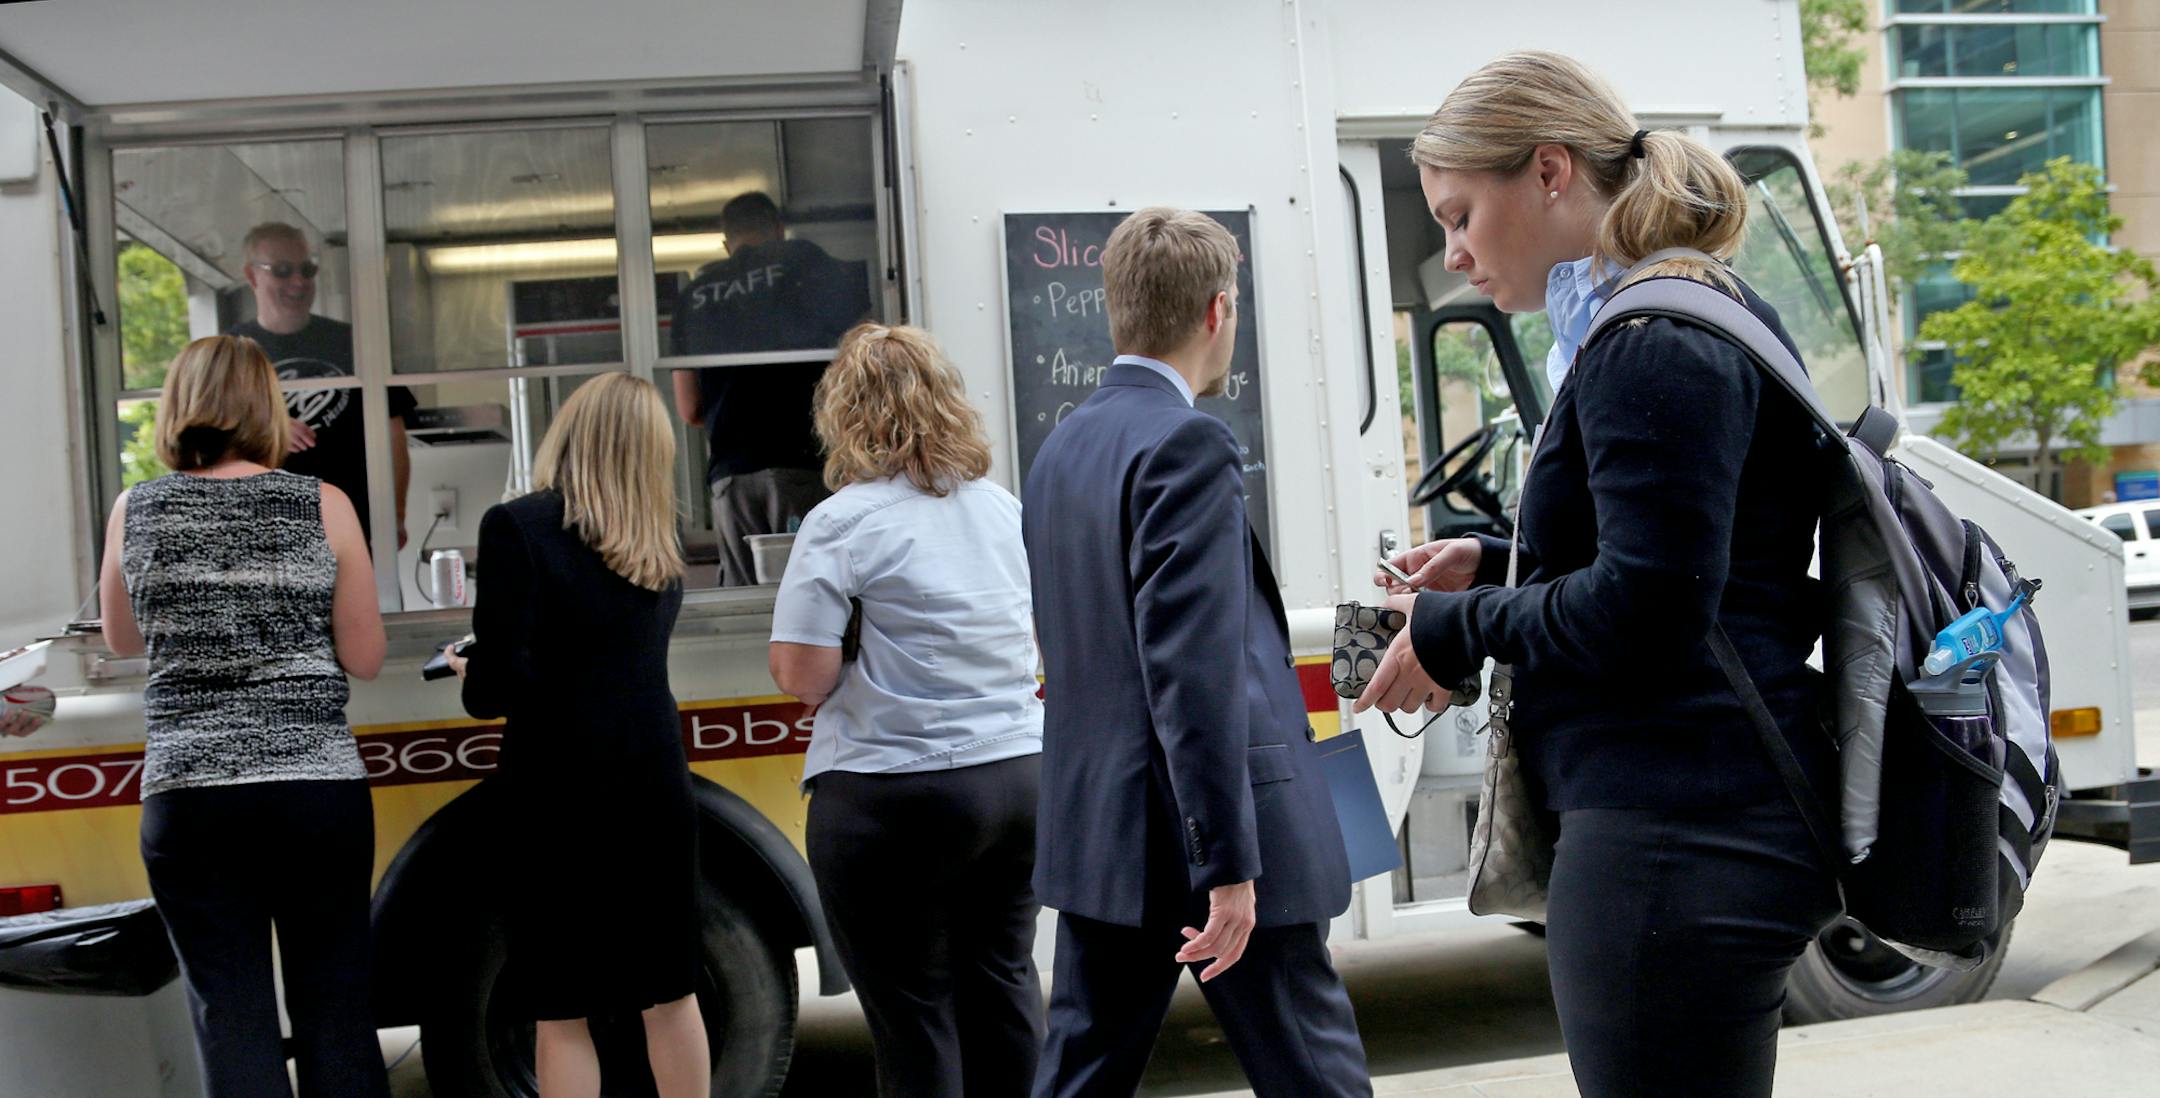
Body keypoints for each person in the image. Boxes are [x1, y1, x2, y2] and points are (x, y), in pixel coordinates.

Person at [1356, 50, 1843, 1098]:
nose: (1453, 254)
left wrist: (1453, 626)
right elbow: (1686, 558)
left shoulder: (1650, 341)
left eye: (1458, 216)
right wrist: (1500, 561)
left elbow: (1651, 610)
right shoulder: (1683, 312)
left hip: (1675, 829)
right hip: (1697, 814)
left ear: (1548, 171)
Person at [1022, 208, 1371, 1098]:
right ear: (1219, 311)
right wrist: (1228, 866)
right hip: (1213, 835)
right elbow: (1194, 670)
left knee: (1079, 1077)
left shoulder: (1061, 448)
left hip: (1106, 838)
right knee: (1315, 1078)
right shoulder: (1189, 442)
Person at [98, 335, 391, 1098]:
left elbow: (122, 638)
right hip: (312, 792)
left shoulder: (137, 507)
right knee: (335, 1007)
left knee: (230, 1014)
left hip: (191, 795)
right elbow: (364, 656)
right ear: (267, 407)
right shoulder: (322, 504)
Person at [769, 323, 1046, 1097]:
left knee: (915, 1015)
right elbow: (1034, 637)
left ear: (845, 413)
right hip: (1020, 780)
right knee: (1004, 988)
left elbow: (802, 673)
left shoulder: (842, 521)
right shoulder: (1001, 508)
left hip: (894, 790)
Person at [443, 372, 709, 1098]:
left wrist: (468, 665)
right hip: (654, 789)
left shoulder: (518, 526)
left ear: (570, 433)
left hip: (555, 795)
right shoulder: (658, 543)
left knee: (561, 1010)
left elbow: (495, 689)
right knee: (671, 993)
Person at [669, 191, 872, 586]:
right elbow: (865, 354)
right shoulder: (807, 264)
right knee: (812, 589)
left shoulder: (695, 295)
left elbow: (689, 407)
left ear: (726, 244)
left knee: (744, 602)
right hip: (802, 464)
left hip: (732, 478)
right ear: (779, 230)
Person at [228, 221, 417, 549]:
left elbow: (392, 433)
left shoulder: (353, 342)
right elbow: (208, 440)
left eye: (307, 269)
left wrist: (396, 511)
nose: (298, 281)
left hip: (350, 524)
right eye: (282, 270)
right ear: (251, 275)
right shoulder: (228, 354)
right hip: (262, 530)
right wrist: (267, 428)